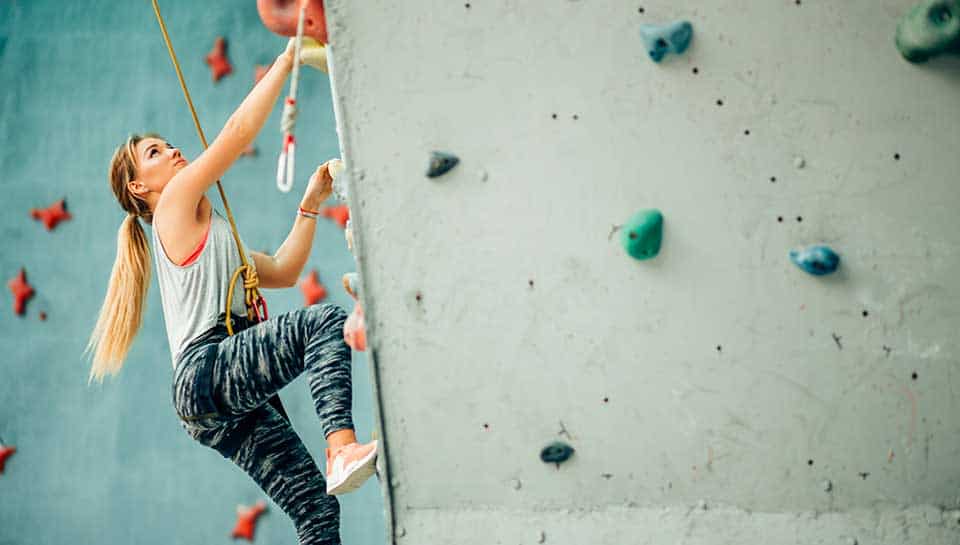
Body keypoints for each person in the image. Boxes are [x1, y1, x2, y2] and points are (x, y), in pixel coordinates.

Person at [85, 38, 377, 545]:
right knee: (325, 324)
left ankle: (335, 465)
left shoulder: (214, 235)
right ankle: (341, 447)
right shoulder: (172, 204)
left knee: (316, 510)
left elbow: (284, 271)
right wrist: (286, 61)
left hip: (206, 401)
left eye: (166, 143)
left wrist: (308, 206)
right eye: (155, 153)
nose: (173, 150)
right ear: (139, 188)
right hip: (208, 370)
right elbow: (235, 135)